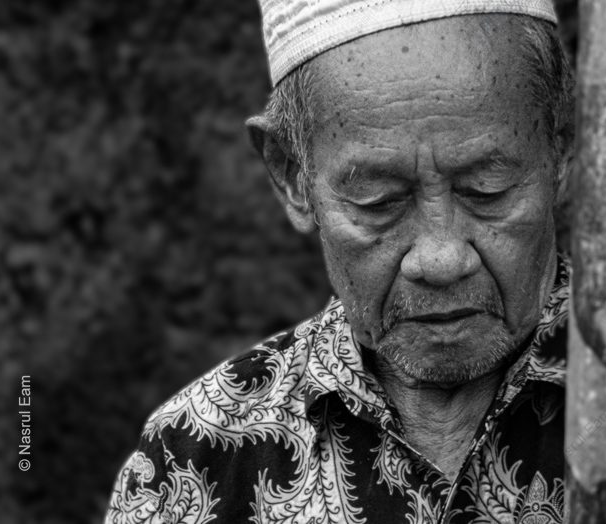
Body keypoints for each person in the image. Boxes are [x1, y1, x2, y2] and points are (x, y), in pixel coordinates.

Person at [104, 0, 574, 522]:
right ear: (292, 175)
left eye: (487, 188)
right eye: (379, 201)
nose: (440, 259)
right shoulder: (196, 456)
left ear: (562, 151)